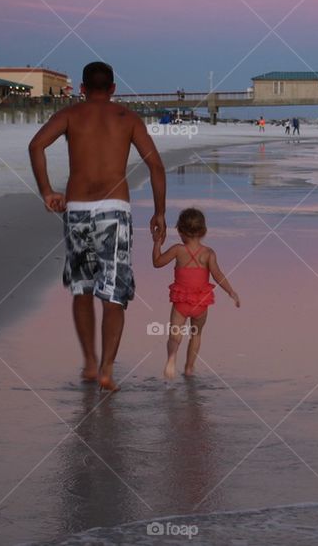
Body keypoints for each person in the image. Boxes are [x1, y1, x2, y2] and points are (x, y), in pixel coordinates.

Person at [29, 61, 167, 392]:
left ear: (82, 87)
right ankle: (106, 370)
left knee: (82, 288)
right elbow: (156, 167)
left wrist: (47, 191)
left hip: (76, 209)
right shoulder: (127, 118)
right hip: (114, 210)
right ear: (114, 89)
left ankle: (90, 363)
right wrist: (159, 213)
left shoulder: (71, 115)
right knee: (114, 295)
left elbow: (36, 146)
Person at [152, 208, 240, 379]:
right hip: (201, 303)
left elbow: (157, 262)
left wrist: (157, 243)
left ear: (180, 230)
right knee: (196, 334)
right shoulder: (208, 253)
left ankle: (171, 359)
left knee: (175, 335)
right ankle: (189, 368)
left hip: (181, 302)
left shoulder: (178, 250)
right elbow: (218, 275)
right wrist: (231, 292)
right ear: (204, 231)